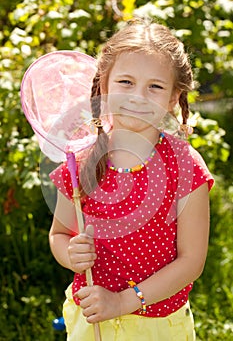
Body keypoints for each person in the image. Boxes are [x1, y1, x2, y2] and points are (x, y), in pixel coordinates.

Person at [49, 18, 214, 341]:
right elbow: (58, 234)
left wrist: (123, 301)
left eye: (155, 86)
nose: (138, 97)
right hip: (91, 319)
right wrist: (70, 254)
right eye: (125, 82)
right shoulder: (80, 162)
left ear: (172, 98)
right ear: (104, 87)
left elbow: (192, 260)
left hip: (157, 324)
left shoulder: (185, 166)